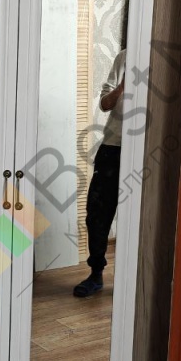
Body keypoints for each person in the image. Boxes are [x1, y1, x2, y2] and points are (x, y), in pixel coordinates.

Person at [73, 47, 125, 297]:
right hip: (112, 148)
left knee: (140, 215)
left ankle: (135, 278)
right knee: (97, 213)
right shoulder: (125, 56)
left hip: (149, 151)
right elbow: (105, 104)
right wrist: (123, 86)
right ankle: (95, 274)